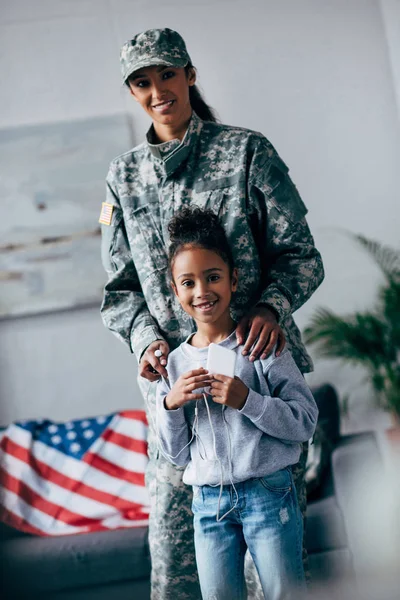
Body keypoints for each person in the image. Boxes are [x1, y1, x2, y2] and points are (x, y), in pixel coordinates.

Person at [100, 27, 324, 600]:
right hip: (179, 403)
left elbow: (302, 256)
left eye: (167, 75)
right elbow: (120, 290)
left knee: (273, 577)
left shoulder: (248, 152)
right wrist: (147, 341)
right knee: (176, 574)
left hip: (258, 384)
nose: (157, 92)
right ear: (132, 92)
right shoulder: (122, 179)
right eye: (142, 82)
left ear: (190, 75)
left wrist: (272, 308)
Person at [155, 205, 318, 600]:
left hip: (268, 495)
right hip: (208, 505)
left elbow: (305, 423)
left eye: (212, 277)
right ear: (175, 291)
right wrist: (170, 405)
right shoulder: (174, 364)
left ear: (233, 279)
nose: (202, 292)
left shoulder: (261, 345)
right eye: (188, 282)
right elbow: (175, 454)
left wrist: (249, 401)